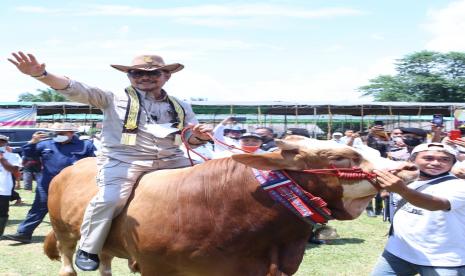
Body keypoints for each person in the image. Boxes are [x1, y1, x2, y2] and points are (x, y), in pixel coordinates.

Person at [8, 51, 211, 271]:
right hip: (125, 161)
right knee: (110, 199)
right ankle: (89, 247)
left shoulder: (181, 106)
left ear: (167, 76)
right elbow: (76, 89)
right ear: (129, 76)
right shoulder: (112, 97)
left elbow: (189, 138)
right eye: (137, 73)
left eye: (154, 73)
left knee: (206, 192)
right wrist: (42, 75)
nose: (145, 77)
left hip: (173, 160)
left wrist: (198, 136)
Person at [371, 143, 465, 276]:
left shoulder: (458, 186)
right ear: (412, 160)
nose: (436, 163)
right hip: (398, 252)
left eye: (445, 159)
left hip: (442, 259)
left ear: (452, 163)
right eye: (428, 158)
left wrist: (401, 189)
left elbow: (436, 204)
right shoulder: (404, 180)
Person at [3, 123, 95, 244]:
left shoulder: (85, 145)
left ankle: (84, 235)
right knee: (38, 208)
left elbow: (94, 162)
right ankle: (24, 233)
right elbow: (29, 154)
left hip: (75, 186)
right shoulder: (46, 143)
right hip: (47, 184)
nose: (58, 136)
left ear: (71, 133)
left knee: (78, 209)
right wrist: (32, 142)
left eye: (62, 134)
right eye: (56, 133)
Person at [0, 134, 22, 237]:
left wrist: (2, 158)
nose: (0, 143)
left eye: (2, 142)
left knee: (2, 213)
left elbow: (14, 170)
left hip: (3, 189)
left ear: (6, 143)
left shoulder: (13, 156)